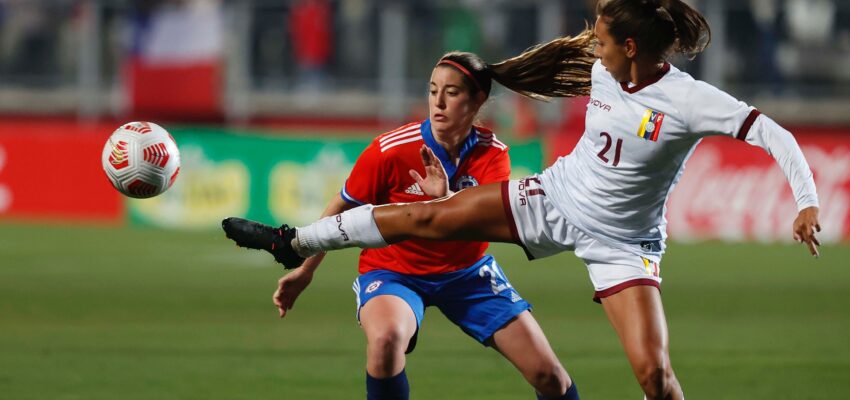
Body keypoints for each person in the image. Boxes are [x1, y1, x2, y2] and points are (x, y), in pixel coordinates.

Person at [224, 1, 822, 398]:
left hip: (624, 243)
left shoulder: (690, 99)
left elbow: (776, 133)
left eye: (604, 37)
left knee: (655, 374)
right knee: (428, 215)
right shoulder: (608, 67)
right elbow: (559, 59)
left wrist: (806, 200)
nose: (594, 43)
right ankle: (290, 240)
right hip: (556, 198)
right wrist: (492, 73)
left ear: (633, 47)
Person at [227, 33, 597, 400]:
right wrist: (305, 270)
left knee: (551, 377)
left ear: (477, 100)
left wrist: (448, 198)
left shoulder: (493, 154)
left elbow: (486, 220)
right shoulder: (390, 150)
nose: (437, 102)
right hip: (394, 272)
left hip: (467, 275)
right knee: (386, 343)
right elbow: (343, 208)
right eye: (432, 90)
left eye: (451, 93)